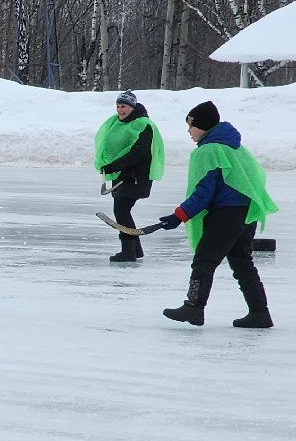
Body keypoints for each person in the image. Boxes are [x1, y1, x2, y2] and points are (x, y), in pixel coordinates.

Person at [156, 101, 277, 328]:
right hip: (245, 212)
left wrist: (179, 215)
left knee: (204, 260)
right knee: (242, 263)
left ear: (202, 126)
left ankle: (194, 307)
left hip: (226, 214)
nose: (189, 132)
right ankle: (260, 312)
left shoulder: (208, 150)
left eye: (191, 126)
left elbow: (203, 192)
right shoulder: (233, 146)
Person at [95, 89, 164, 262]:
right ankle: (135, 250)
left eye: (124, 106)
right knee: (122, 209)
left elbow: (139, 153)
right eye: (118, 106)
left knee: (121, 209)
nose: (120, 110)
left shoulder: (143, 125)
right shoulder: (117, 123)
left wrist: (114, 166)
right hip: (125, 175)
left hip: (137, 177)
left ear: (132, 107)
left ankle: (128, 251)